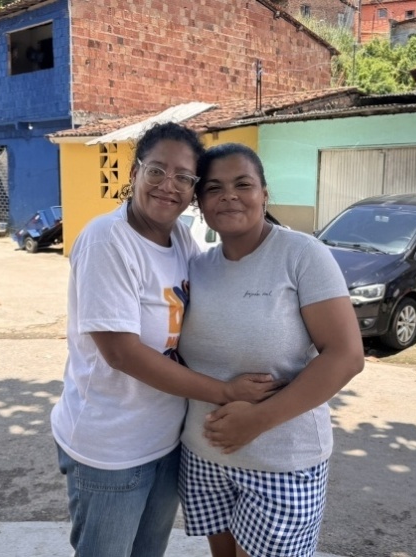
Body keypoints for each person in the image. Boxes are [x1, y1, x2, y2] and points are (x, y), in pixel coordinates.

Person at [50, 123, 281, 557]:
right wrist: (225, 391)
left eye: (183, 177)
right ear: (135, 173)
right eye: (156, 171)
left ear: (193, 191)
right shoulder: (108, 240)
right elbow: (122, 353)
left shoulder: (181, 239)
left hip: (167, 440)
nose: (167, 186)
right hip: (111, 447)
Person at [177, 143, 366, 557]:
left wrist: (257, 420)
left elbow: (346, 355)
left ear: (264, 193)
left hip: (282, 462)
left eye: (242, 183)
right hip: (205, 456)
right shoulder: (198, 265)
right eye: (214, 188)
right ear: (201, 204)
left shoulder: (301, 255)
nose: (229, 195)